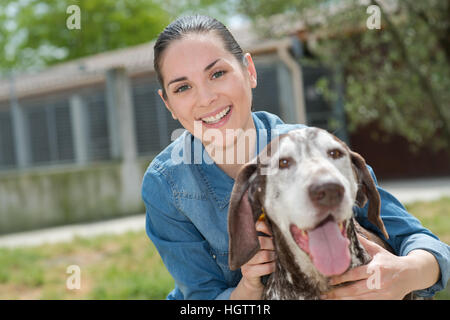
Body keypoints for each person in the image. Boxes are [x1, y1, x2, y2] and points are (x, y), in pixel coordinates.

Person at [142, 14, 449, 300]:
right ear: (168, 104)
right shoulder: (165, 184)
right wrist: (248, 285)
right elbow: (200, 299)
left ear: (249, 71)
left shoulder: (320, 149)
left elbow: (424, 245)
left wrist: (407, 274)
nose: (206, 98)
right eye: (183, 87)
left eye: (218, 73)